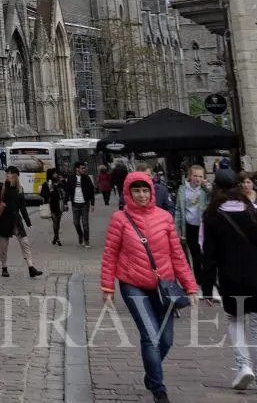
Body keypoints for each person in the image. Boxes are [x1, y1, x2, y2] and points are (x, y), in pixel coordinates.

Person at [100, 172, 201, 403]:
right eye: (137, 191)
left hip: (163, 285)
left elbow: (177, 255)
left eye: (145, 190)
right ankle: (158, 388)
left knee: (165, 340)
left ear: (151, 192)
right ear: (128, 193)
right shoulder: (120, 219)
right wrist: (107, 286)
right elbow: (110, 254)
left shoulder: (164, 217)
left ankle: (150, 372)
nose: (142, 195)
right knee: (150, 336)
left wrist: (190, 286)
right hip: (133, 284)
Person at [197, 170, 257, 397]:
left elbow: (207, 254)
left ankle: (243, 365)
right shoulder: (256, 211)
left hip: (229, 277)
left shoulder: (211, 216)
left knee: (235, 321)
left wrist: (207, 289)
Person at [0, 166, 42, 278]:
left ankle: (31, 267)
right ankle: (4, 267)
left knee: (25, 243)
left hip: (16, 221)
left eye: (9, 173)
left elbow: (23, 208)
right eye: (7, 173)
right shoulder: (2, 187)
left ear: (15, 175)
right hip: (3, 220)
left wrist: (28, 222)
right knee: (3, 247)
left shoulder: (20, 189)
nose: (7, 175)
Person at [178, 165, 208, 278]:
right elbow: (178, 210)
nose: (198, 179)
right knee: (194, 253)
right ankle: (197, 278)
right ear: (189, 176)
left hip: (203, 226)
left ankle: (205, 276)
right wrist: (178, 229)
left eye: (200, 176)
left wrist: (208, 189)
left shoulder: (205, 190)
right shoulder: (182, 190)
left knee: (203, 252)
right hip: (190, 226)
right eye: (195, 175)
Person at [70, 161, 96, 247]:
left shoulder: (87, 178)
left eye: (84, 168)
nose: (84, 170)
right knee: (75, 222)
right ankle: (80, 234)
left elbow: (92, 192)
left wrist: (92, 204)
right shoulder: (71, 178)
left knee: (85, 224)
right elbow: (67, 190)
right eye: (82, 168)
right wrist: (66, 202)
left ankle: (86, 240)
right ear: (77, 169)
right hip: (75, 204)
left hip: (85, 204)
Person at [46, 168, 69, 246]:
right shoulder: (48, 183)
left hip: (60, 204)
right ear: (51, 174)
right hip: (51, 205)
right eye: (54, 173)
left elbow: (66, 191)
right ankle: (57, 238)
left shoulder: (60, 182)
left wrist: (63, 181)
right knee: (55, 221)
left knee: (58, 222)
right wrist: (49, 189)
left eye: (56, 173)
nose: (56, 174)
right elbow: (43, 194)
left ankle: (55, 238)